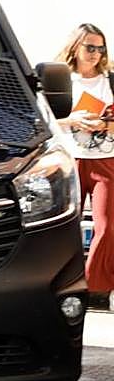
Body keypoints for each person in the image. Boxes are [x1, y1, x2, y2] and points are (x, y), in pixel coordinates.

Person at [55, 23, 114, 311]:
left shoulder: (110, 81)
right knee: (63, 226)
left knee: (106, 226)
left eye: (100, 48)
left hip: (106, 162)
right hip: (70, 161)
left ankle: (95, 287)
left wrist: (105, 124)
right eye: (90, 47)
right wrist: (72, 120)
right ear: (76, 47)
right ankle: (60, 283)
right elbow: (43, 120)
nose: (95, 53)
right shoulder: (61, 81)